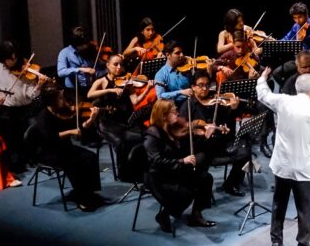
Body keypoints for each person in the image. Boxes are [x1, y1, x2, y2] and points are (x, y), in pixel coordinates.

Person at [256, 67, 310, 246]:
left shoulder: (283, 101)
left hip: (282, 165)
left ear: (297, 88)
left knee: (279, 203)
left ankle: (276, 241)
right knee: (304, 208)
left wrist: (262, 77)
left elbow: (263, 95)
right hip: (304, 168)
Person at [143, 99, 216, 233]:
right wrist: (182, 161)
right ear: (164, 115)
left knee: (206, 178)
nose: (178, 114)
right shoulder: (152, 134)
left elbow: (189, 148)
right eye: (174, 112)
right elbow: (156, 161)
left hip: (175, 171)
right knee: (186, 192)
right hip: (159, 176)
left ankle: (196, 215)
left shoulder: (173, 129)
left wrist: (206, 137)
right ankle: (163, 215)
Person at [33, 86, 106, 211]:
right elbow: (50, 138)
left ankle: (89, 192)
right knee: (75, 164)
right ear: (52, 101)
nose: (64, 100)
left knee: (91, 157)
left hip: (65, 147)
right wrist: (70, 132)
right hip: (49, 152)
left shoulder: (64, 110)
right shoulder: (43, 117)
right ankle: (81, 197)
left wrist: (91, 119)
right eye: (60, 98)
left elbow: (80, 127)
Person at [87, 53, 153, 182]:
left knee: (146, 134)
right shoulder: (102, 80)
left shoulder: (127, 82)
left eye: (121, 65)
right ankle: (124, 173)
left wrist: (147, 89)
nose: (119, 67)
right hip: (107, 122)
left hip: (125, 120)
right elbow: (90, 94)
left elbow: (135, 101)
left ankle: (140, 168)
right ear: (107, 65)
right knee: (121, 141)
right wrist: (110, 90)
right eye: (115, 64)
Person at [0, 40, 47, 171]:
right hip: (7, 110)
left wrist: (39, 85)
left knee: (34, 131)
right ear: (3, 58)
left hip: (27, 108)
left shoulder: (26, 71)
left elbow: (31, 95)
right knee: (10, 137)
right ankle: (15, 162)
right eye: (10, 59)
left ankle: (33, 158)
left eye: (16, 58)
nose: (14, 61)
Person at [186, 69, 249, 197]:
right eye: (201, 85)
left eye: (207, 85)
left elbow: (227, 121)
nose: (205, 89)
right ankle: (200, 192)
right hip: (202, 146)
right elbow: (185, 128)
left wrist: (233, 109)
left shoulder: (216, 102)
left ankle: (231, 183)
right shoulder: (188, 105)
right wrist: (202, 131)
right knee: (202, 160)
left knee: (245, 150)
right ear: (193, 87)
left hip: (220, 142)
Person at [56, 26, 102, 94]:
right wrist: (80, 69)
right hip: (73, 91)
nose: (87, 45)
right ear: (76, 43)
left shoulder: (90, 50)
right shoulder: (65, 52)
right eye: (84, 43)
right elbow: (61, 72)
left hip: (91, 88)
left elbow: (97, 68)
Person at [154, 41, 195, 110]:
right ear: (168, 55)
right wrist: (180, 92)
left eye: (181, 52)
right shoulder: (161, 74)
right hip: (174, 108)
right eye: (177, 53)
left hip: (192, 103)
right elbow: (160, 96)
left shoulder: (188, 67)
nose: (182, 55)